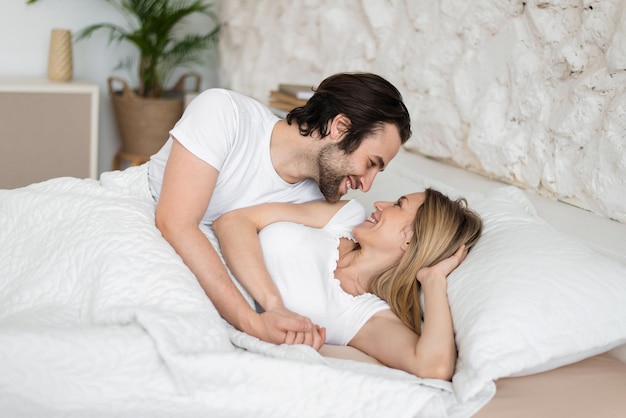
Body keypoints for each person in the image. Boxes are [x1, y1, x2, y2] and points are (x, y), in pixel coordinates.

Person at [147, 72, 412, 346]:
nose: (367, 186)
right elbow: (175, 224)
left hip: (192, 277)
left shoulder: (316, 202)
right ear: (340, 127)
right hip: (142, 222)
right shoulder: (226, 113)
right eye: (370, 162)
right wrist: (250, 321)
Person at [213, 188, 483, 380]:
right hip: (194, 264)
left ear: (410, 241)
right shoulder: (345, 216)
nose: (379, 203)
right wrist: (273, 305)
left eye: (398, 205)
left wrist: (433, 280)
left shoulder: (365, 317)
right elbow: (233, 220)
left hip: (214, 325)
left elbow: (433, 367)